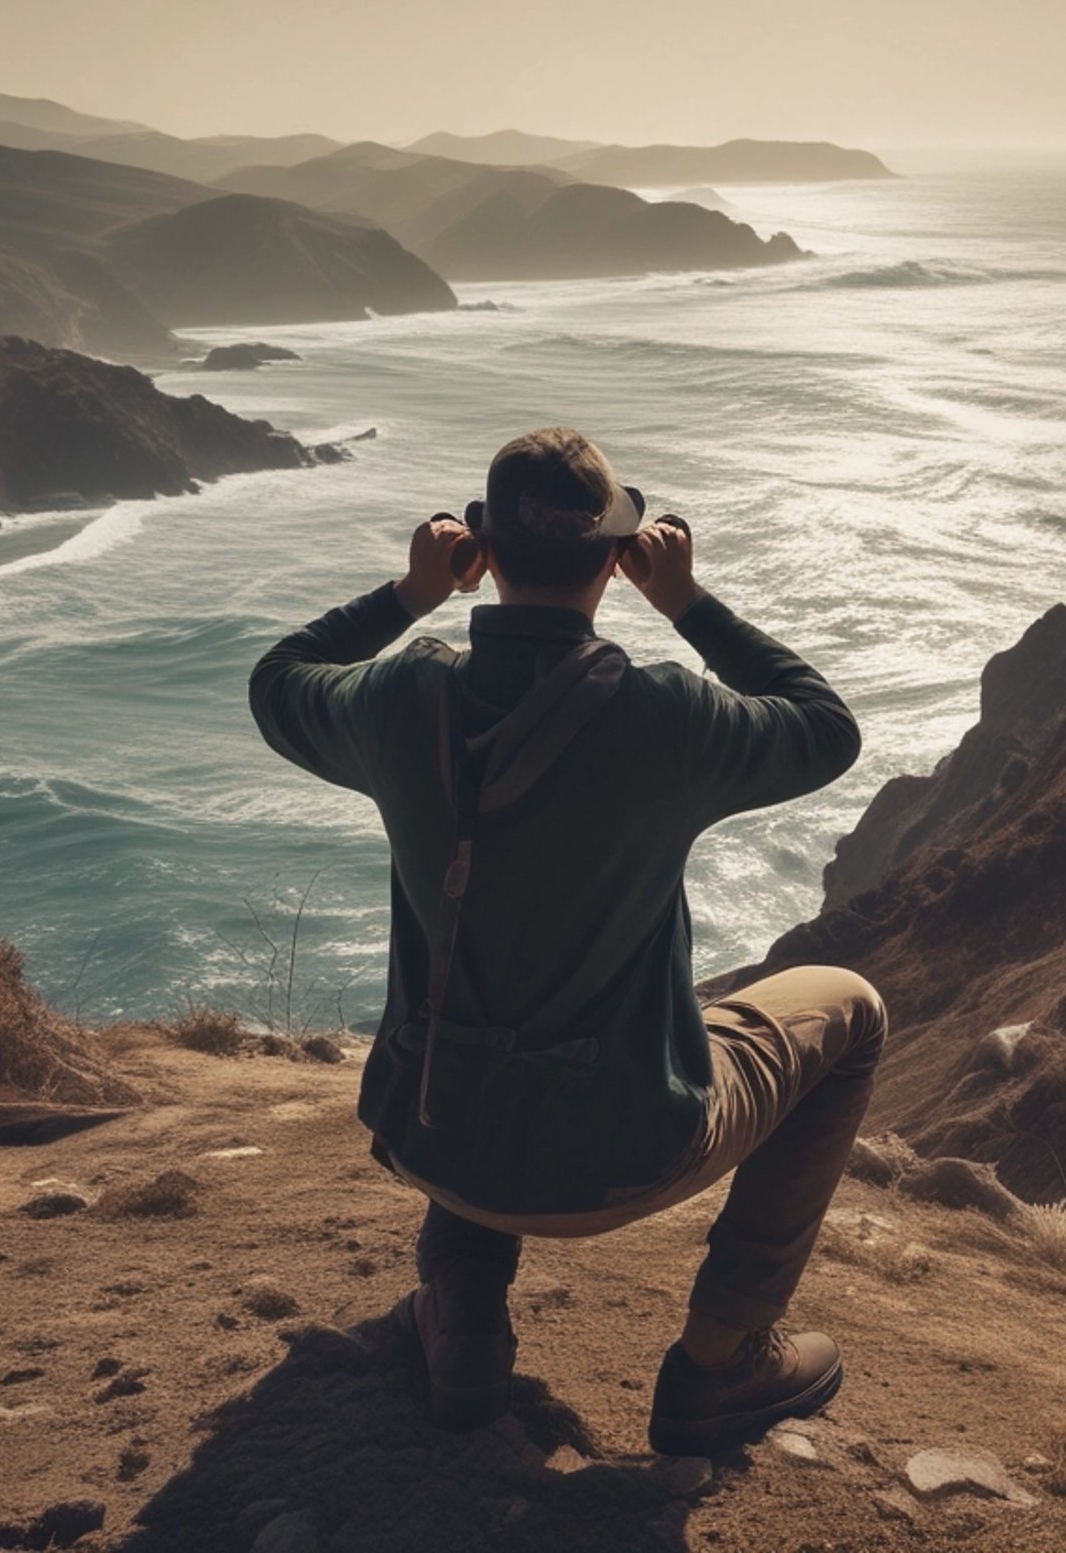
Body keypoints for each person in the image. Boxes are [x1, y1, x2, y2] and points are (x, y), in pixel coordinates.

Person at [248, 427, 885, 1455]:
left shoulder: (401, 697)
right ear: (613, 560)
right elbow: (825, 726)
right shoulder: (667, 717)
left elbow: (279, 679)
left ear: (484, 553)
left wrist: (411, 595)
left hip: (434, 1140)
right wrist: (687, 605)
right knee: (849, 1009)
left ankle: (462, 1320)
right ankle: (723, 1358)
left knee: (488, 975)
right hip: (619, 1155)